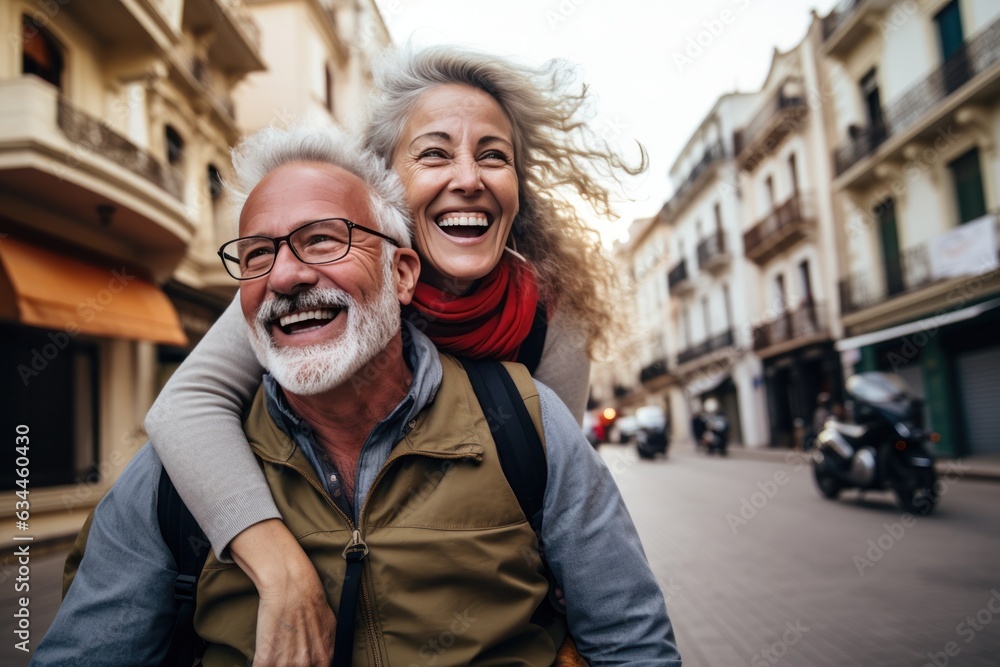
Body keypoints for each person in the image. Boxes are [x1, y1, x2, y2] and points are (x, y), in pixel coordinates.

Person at [34, 125, 680, 666]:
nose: (285, 274)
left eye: (322, 239)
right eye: (258, 254)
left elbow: (632, 643)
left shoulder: (527, 425)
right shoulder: (173, 479)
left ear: (402, 273)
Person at [144, 46, 646, 662]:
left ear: (518, 188)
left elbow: (551, 502)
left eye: (495, 156)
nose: (469, 178)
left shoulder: (553, 314)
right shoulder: (324, 280)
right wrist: (279, 566)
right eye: (434, 153)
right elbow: (187, 404)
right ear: (383, 180)